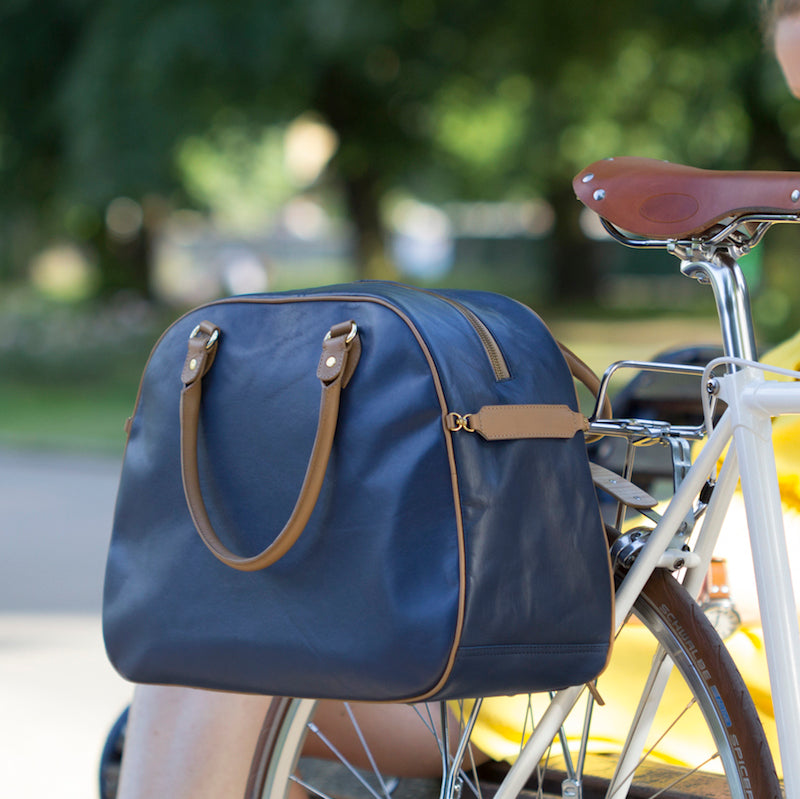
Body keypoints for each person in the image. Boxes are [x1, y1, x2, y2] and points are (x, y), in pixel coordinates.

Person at [115, 12, 800, 794]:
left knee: (205, 671)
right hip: (602, 670)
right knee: (203, 655)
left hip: (706, 690)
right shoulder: (776, 368)